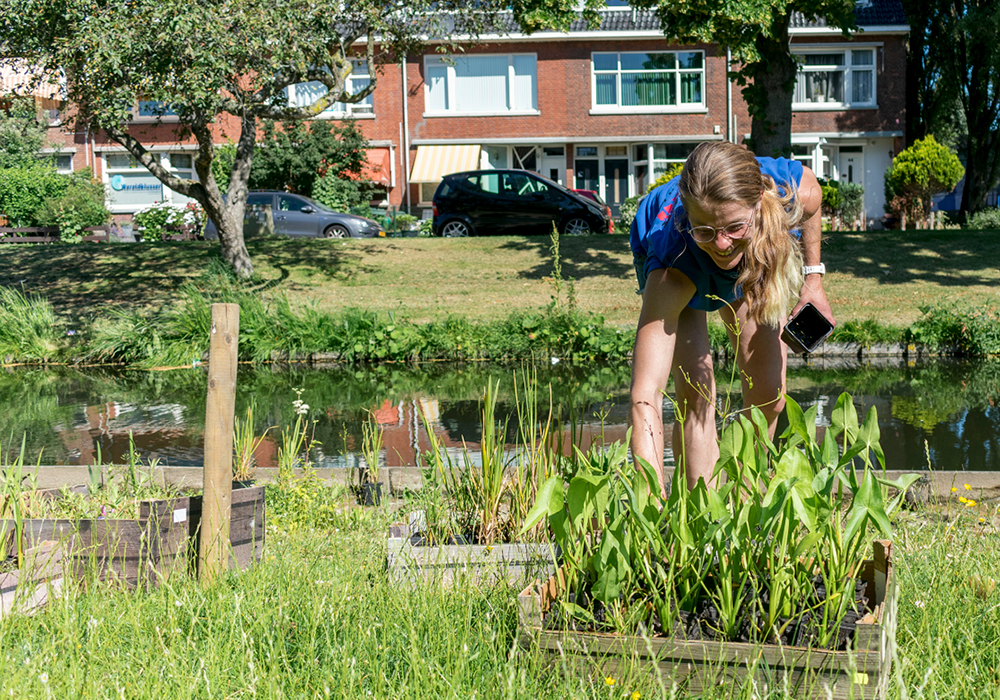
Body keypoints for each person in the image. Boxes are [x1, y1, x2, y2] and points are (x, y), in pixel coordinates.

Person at [629, 141, 833, 495]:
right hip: (686, 267)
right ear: (690, 219)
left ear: (758, 204)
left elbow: (812, 200)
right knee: (696, 396)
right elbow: (645, 396)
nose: (721, 244)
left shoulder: (787, 191)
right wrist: (650, 496)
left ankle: (745, 501)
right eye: (706, 229)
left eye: (734, 227)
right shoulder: (669, 265)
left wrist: (813, 280)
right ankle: (698, 509)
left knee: (770, 393)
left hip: (752, 258)